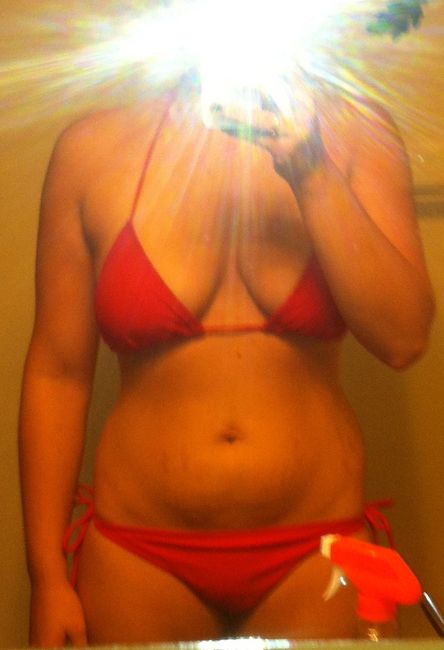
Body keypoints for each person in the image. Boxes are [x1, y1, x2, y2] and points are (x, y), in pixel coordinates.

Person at [19, 55, 435, 647]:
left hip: (315, 552)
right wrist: (46, 575)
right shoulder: (93, 148)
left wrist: (313, 173)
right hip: (137, 556)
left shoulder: (357, 133)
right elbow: (58, 374)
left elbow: (403, 337)